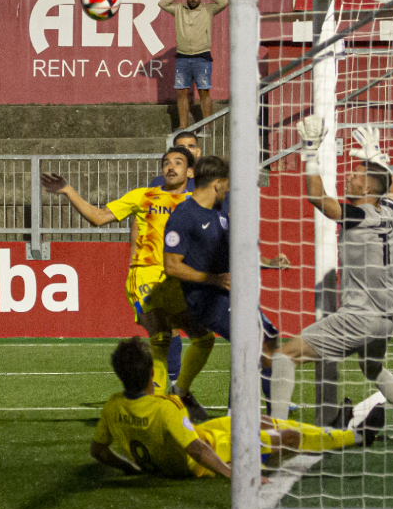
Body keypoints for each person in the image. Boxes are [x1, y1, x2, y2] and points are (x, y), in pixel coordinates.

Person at [268, 118, 393, 442]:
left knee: (285, 355)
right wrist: (377, 157)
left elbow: (318, 198)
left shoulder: (359, 215)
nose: (350, 175)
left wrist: (310, 151)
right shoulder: (386, 211)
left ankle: (274, 434)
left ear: (367, 189)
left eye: (357, 175)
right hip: (385, 318)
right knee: (372, 370)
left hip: (360, 317)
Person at [42, 147, 211, 407]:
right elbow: (99, 218)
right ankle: (159, 403)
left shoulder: (197, 203)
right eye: (166, 162)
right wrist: (68, 191)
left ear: (190, 171)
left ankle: (179, 392)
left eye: (178, 162)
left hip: (177, 279)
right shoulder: (143, 197)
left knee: (204, 338)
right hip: (145, 275)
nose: (171, 166)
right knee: (162, 334)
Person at [89, 337, 383, 479]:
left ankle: (330, 430)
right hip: (209, 455)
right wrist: (234, 475)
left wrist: (131, 468)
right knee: (287, 438)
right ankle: (355, 436)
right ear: (152, 373)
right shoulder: (165, 407)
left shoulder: (112, 406)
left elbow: (99, 451)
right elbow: (196, 451)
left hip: (202, 436)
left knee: (260, 420)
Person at [162, 156, 291, 421]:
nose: (229, 190)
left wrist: (268, 263)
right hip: (204, 299)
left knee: (269, 337)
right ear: (218, 183)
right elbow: (172, 266)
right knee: (251, 338)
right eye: (227, 185)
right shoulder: (183, 216)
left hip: (230, 294)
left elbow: (235, 254)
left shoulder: (220, 211)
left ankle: (273, 414)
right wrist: (213, 280)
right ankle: (239, 420)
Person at [136, 130, 202, 388]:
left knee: (205, 335)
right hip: (165, 266)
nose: (186, 151)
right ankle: (171, 384)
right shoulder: (157, 185)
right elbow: (142, 221)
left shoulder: (207, 183)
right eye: (179, 148)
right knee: (168, 327)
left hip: (196, 267)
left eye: (191, 147)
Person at [159, 0, 229, 129]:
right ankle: (183, 127)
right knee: (182, 92)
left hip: (202, 57)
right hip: (182, 58)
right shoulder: (178, 9)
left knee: (204, 92)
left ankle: (207, 127)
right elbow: (162, 3)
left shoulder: (208, 9)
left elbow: (224, 2)